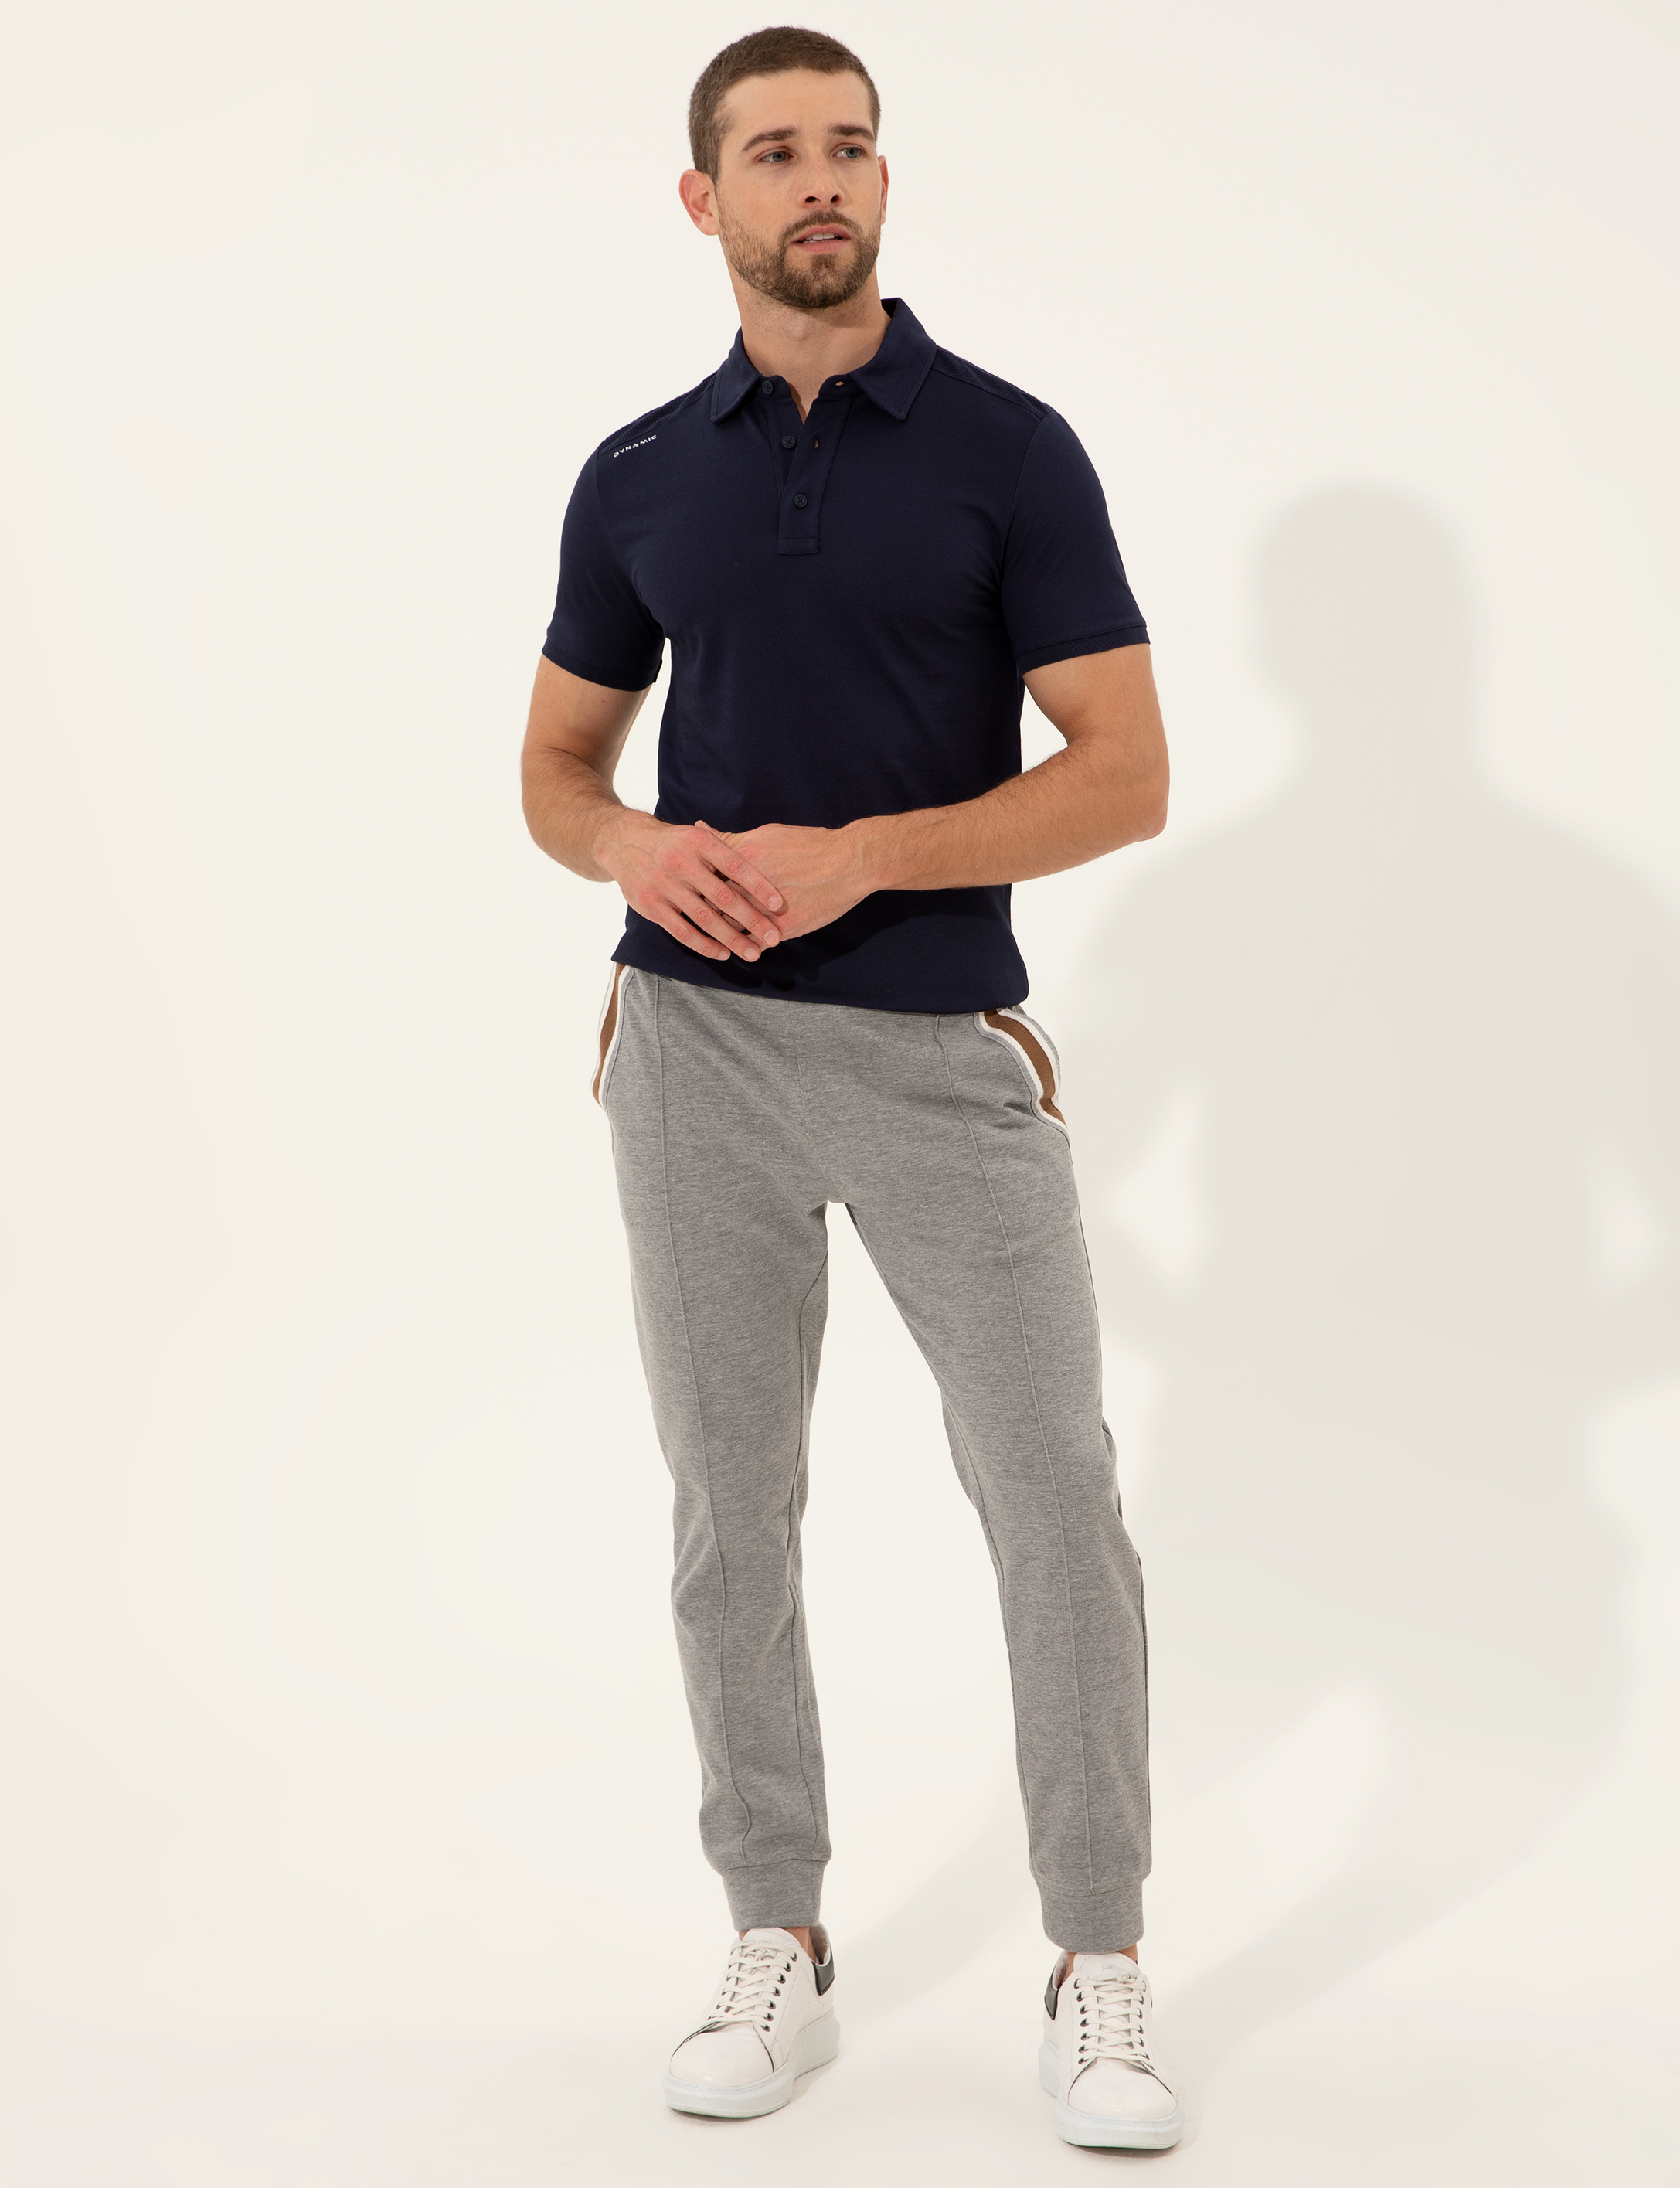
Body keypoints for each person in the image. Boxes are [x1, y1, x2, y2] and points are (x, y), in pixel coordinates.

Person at [521, 25, 1178, 2152]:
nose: (822, 179)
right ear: (700, 199)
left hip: (932, 1055)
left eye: (851, 148)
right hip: (689, 1057)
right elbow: (555, 771)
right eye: (775, 152)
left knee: (1052, 1494)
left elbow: (1124, 776)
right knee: (734, 1513)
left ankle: (1096, 1959)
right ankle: (775, 1937)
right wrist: (633, 850)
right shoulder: (640, 473)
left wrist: (868, 854)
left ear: (883, 186)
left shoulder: (1007, 450)